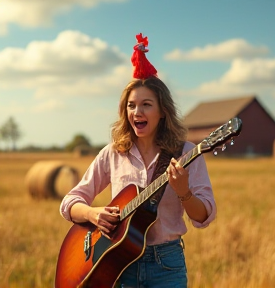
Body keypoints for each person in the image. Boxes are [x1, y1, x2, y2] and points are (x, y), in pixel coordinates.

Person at [59, 33, 217, 288]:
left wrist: (184, 193)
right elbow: (69, 202)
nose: (137, 112)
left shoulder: (186, 153)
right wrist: (93, 213)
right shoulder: (112, 153)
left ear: (162, 111)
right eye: (131, 106)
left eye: (146, 104)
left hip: (167, 265)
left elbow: (204, 216)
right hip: (118, 266)